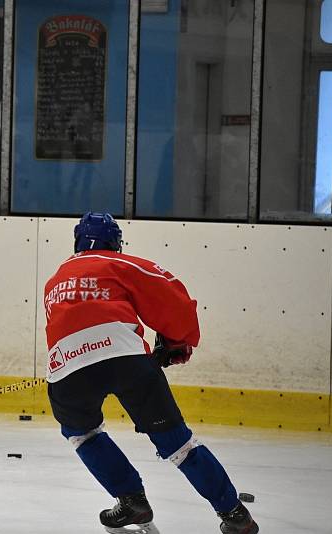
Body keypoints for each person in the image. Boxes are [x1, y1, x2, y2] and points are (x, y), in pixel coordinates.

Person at [43, 212, 258, 534]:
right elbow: (172, 300)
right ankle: (233, 514)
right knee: (178, 445)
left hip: (68, 367)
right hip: (125, 358)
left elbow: (66, 326)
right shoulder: (122, 263)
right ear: (115, 242)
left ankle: (131, 501)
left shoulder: (54, 280)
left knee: (81, 432)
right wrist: (177, 342)